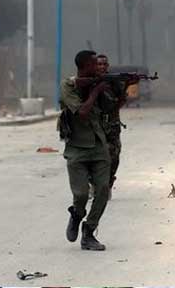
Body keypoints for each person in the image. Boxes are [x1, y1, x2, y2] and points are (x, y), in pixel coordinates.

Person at [59, 50, 111, 251]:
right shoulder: (67, 86)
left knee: (103, 191)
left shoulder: (98, 82)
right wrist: (95, 91)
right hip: (77, 148)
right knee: (80, 194)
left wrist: (116, 88)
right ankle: (77, 215)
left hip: (98, 145)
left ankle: (89, 232)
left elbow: (109, 109)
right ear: (84, 66)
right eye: (94, 64)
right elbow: (81, 112)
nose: (98, 67)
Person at [96, 54, 131, 199]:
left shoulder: (113, 82)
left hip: (112, 124)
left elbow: (120, 102)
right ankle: (95, 185)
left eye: (105, 64)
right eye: (99, 64)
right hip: (94, 125)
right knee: (94, 157)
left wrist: (126, 85)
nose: (102, 67)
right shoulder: (88, 82)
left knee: (114, 156)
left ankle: (108, 183)